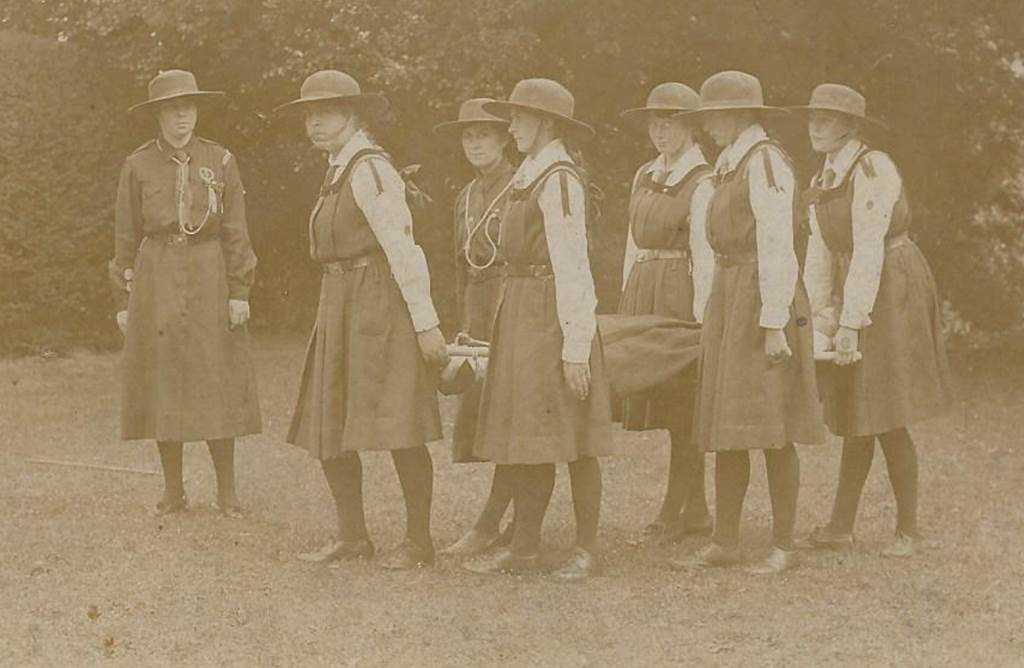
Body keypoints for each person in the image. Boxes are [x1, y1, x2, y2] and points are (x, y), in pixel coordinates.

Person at [279, 70, 449, 570]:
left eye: (325, 112)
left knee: (399, 420)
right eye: (308, 115)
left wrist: (425, 323)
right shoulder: (335, 168)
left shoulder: (371, 170)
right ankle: (352, 535)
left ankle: (419, 541)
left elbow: (403, 249)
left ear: (353, 115)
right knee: (328, 418)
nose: (314, 123)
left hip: (378, 300)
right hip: (338, 299)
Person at [463, 78, 616, 581]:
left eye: (520, 118)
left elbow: (574, 266)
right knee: (529, 434)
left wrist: (575, 349)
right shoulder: (530, 174)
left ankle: (587, 549)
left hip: (554, 314)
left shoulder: (560, 178)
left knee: (574, 437)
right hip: (521, 310)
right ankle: (525, 548)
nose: (511, 127)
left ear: (547, 123)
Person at [672, 70, 825, 574]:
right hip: (730, 295)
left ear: (739, 116)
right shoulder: (729, 163)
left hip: (763, 297)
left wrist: (775, 320)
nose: (709, 126)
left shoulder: (766, 162)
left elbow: (779, 242)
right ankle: (726, 539)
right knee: (726, 421)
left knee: (772, 424)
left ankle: (783, 544)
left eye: (714, 116)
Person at [792, 83, 952, 558]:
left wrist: (851, 321)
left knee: (883, 405)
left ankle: (909, 529)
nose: (815, 126)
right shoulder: (823, 176)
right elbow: (820, 252)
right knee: (855, 405)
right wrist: (817, 317)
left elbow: (866, 249)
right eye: (812, 117)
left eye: (827, 118)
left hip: (891, 282)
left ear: (851, 126)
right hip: (857, 282)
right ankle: (841, 526)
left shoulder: (872, 168)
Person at [109, 69, 261, 518]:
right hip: (157, 272)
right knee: (163, 377)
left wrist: (240, 290)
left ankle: (227, 491)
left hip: (210, 269)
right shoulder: (137, 165)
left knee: (217, 372)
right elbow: (124, 236)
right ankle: (173, 490)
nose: (182, 116)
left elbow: (236, 230)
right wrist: (123, 299)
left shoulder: (221, 160)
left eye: (189, 107)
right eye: (173, 108)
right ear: (158, 114)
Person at [617, 82, 714, 547]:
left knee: (683, 406)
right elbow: (632, 244)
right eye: (656, 122)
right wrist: (625, 300)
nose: (661, 130)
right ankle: (691, 508)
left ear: (692, 127)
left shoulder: (704, 182)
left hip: (679, 292)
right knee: (666, 406)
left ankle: (682, 508)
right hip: (643, 290)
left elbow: (706, 255)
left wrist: (701, 318)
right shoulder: (643, 175)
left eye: (671, 122)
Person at [432, 98, 519, 556]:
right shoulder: (465, 196)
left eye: (485, 134)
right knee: (490, 414)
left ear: (505, 139)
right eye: (468, 136)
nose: (476, 143)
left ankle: (495, 521)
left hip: (515, 303)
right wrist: (465, 324)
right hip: (478, 309)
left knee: (514, 415)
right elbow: (461, 264)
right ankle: (510, 518)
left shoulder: (521, 186)